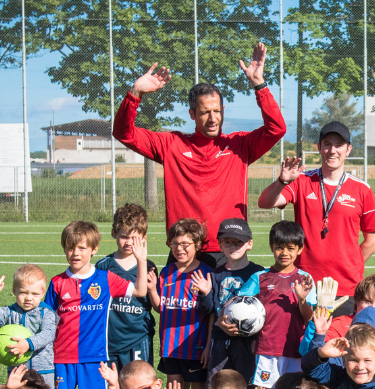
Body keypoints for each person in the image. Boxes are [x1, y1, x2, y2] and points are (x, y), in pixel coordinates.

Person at [113, 43, 286, 269]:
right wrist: (135, 93)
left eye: (217, 111)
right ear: (192, 114)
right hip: (183, 251)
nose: (213, 118)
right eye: (205, 112)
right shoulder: (171, 144)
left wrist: (259, 85)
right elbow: (123, 133)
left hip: (228, 250)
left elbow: (277, 129)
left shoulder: (240, 145)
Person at [257, 122, 375, 316]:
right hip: (303, 285)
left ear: (348, 149)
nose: (332, 150)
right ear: (319, 147)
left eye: (339, 145)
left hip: (345, 287)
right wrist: (282, 181)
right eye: (327, 144)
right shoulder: (302, 181)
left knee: (339, 344)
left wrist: (349, 263)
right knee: (302, 345)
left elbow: (373, 241)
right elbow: (265, 203)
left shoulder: (362, 190)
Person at [44, 221, 150, 389]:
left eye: (81, 248)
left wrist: (142, 261)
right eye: (70, 248)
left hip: (94, 357)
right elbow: (46, 318)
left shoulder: (105, 278)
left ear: (94, 249)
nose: (75, 253)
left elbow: (140, 291)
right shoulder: (57, 282)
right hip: (61, 356)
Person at [227, 221, 316, 389]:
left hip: (296, 350)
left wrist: (302, 300)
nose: (284, 253)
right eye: (279, 248)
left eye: (290, 248)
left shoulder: (306, 280)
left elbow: (309, 318)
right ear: (271, 247)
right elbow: (239, 305)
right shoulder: (260, 278)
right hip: (267, 348)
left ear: (299, 249)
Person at [154, 218, 217, 389]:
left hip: (196, 348)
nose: (179, 249)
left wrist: (208, 346)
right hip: (170, 347)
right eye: (174, 244)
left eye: (185, 244)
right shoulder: (166, 273)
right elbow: (160, 307)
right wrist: (150, 289)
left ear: (197, 245)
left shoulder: (206, 273)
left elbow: (211, 314)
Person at [97, 203, 157, 369]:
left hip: (138, 337)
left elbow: (154, 303)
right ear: (113, 233)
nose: (129, 242)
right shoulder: (103, 266)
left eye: (134, 238)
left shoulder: (148, 266)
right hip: (110, 338)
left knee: (138, 386)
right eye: (124, 236)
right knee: (111, 388)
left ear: (144, 238)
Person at [206, 217, 265, 380]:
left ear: (249, 244)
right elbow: (211, 312)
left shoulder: (259, 274)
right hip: (220, 340)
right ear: (220, 245)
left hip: (248, 343)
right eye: (227, 242)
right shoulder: (214, 275)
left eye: (238, 242)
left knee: (247, 387)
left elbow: (264, 310)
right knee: (219, 386)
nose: (233, 246)